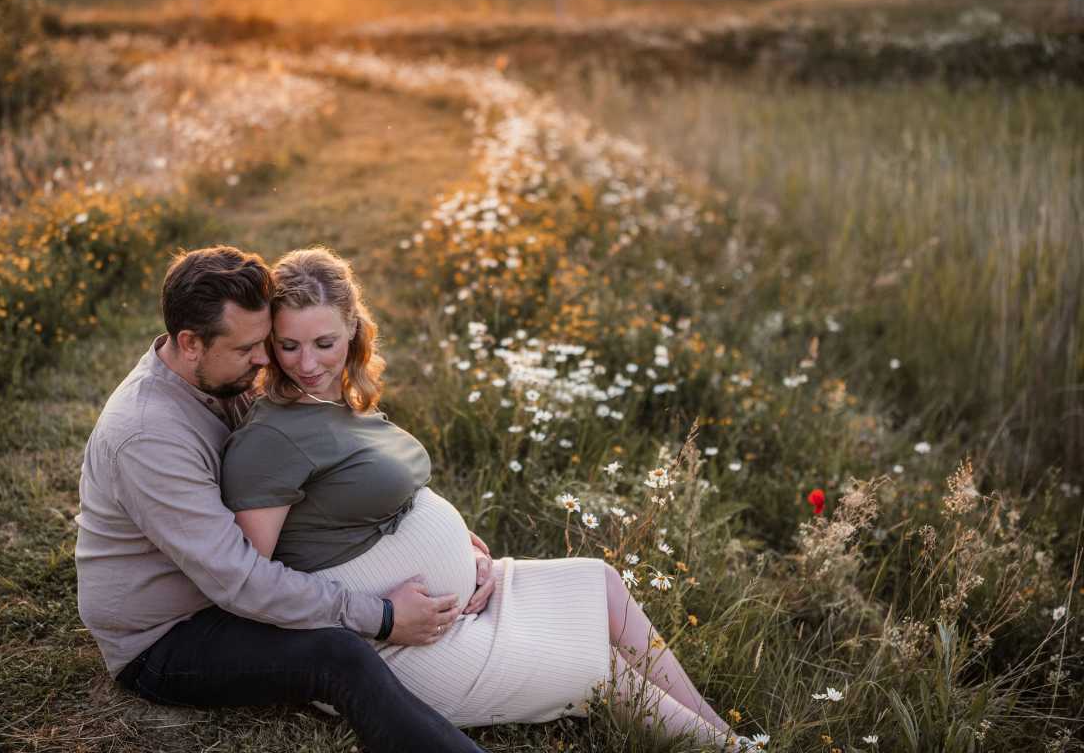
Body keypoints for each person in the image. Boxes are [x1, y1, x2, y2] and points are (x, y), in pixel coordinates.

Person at [220, 247, 753, 751]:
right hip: (398, 646)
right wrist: (379, 615)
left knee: (603, 583)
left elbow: (379, 493)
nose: (307, 363)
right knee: (599, 671)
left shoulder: (338, 400)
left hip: (454, 605)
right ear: (270, 341)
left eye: (324, 343)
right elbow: (255, 585)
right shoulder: (271, 439)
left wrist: (467, 554)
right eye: (288, 346)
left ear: (353, 328)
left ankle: (718, 730)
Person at [74, 245, 488, 753]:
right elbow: (239, 581)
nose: (266, 359)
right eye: (249, 348)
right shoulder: (147, 436)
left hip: (224, 590)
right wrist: (380, 616)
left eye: (266, 341)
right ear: (190, 343)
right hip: (170, 635)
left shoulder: (224, 378)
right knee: (338, 656)